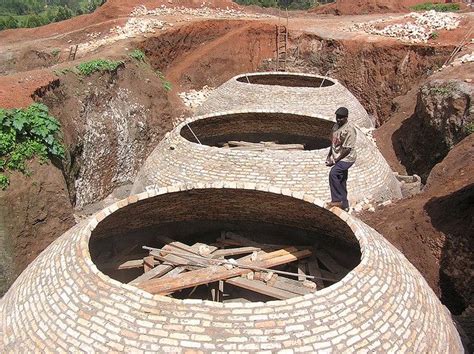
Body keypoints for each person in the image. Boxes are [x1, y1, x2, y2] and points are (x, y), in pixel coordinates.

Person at [325, 106, 357, 211]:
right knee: (342, 179)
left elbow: (347, 149)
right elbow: (333, 142)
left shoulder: (349, 130)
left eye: (341, 118)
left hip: (347, 158)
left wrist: (335, 161)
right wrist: (329, 155)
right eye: (337, 117)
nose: (338, 120)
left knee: (333, 173)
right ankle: (345, 205)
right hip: (338, 156)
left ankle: (337, 201)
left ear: (346, 118)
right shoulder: (336, 126)